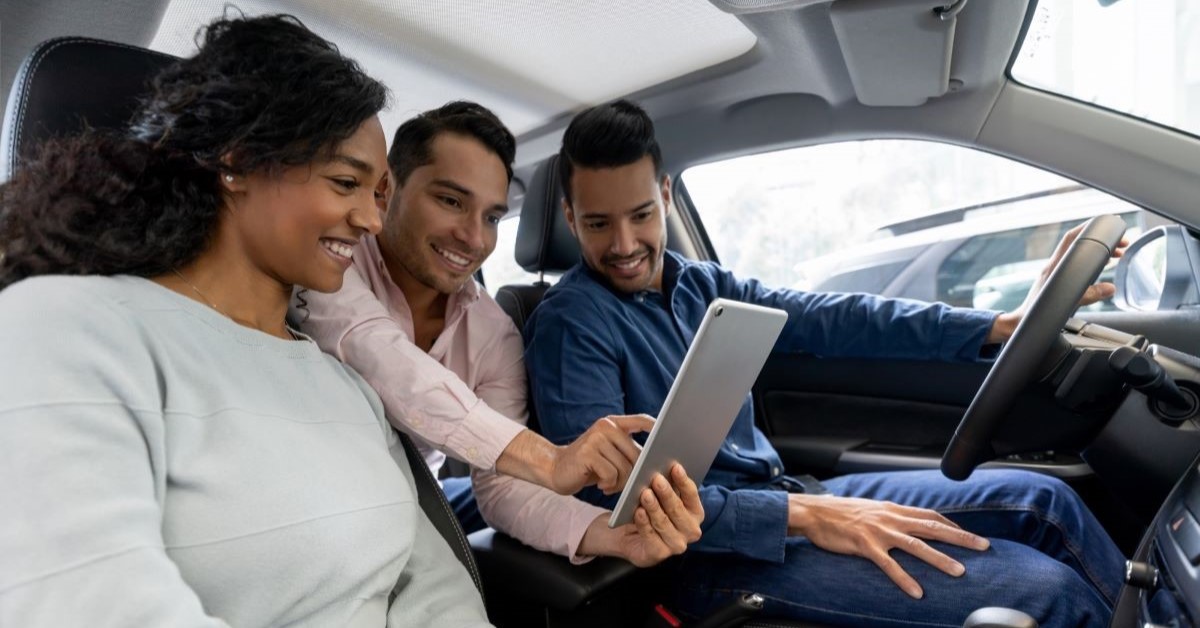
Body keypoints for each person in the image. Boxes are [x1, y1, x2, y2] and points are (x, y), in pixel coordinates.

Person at [524, 99, 1128, 628]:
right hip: (706, 560)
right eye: (599, 224)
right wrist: (804, 516)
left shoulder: (700, 284)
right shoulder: (569, 322)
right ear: (572, 220)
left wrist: (992, 325)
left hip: (789, 495)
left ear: (663, 196)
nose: (625, 244)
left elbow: (836, 316)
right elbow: (619, 507)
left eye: (640, 215)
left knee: (1047, 503)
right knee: (1048, 593)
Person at [0, 14, 487, 627]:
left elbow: (433, 589)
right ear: (238, 163)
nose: (369, 219)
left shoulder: (346, 387)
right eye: (345, 182)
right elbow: (88, 601)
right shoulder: (64, 328)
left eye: (379, 193)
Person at [294, 101, 703, 565]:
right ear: (387, 189)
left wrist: (615, 536)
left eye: (491, 217)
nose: (474, 238)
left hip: (407, 525)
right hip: (297, 514)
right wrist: (549, 459)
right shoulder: (332, 259)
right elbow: (377, 354)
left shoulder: (495, 334)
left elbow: (504, 488)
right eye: (450, 201)